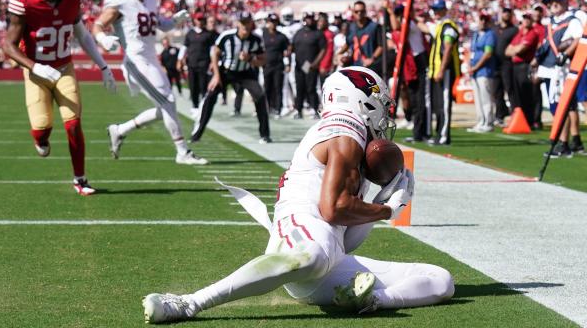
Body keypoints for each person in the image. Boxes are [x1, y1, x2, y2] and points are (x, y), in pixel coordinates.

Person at [141, 67, 454, 324]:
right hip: (299, 238)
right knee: (313, 255)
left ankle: (369, 300)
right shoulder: (346, 131)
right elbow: (332, 210)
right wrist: (385, 211)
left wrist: (378, 205)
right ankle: (188, 302)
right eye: (382, 105)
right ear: (362, 101)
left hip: (324, 258)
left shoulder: (350, 139)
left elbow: (343, 242)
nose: (385, 115)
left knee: (440, 279)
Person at [3, 0, 117, 195]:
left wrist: (103, 65)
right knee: (42, 129)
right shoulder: (24, 2)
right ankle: (40, 139)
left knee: (74, 124)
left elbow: (82, 34)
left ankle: (80, 179)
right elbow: (7, 45)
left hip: (64, 67)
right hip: (36, 73)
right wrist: (35, 66)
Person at [92, 0, 207, 165]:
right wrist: (102, 38)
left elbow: (159, 25)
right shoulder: (120, 1)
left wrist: (174, 21)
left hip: (150, 60)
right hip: (135, 62)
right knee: (168, 102)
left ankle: (120, 130)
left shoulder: (150, 0)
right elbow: (98, 24)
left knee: (166, 106)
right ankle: (182, 151)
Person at [190, 11, 271, 143]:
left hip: (245, 72)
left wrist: (250, 58)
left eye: (247, 22)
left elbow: (263, 60)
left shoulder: (256, 39)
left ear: (251, 23)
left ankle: (265, 134)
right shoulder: (227, 36)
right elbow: (215, 52)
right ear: (238, 23)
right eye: (243, 22)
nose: (245, 25)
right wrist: (216, 76)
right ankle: (197, 133)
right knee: (210, 97)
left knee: (260, 97)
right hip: (226, 71)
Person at [535, 0, 584, 157]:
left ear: (564, 2)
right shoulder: (551, 22)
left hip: (561, 69)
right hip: (549, 67)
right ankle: (564, 142)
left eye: (556, 1)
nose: (552, 5)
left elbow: (578, 39)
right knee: (556, 106)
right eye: (550, 2)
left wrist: (566, 53)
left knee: (561, 105)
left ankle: (563, 143)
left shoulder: (572, 21)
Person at [418, 0, 460, 146]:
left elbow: (448, 48)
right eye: (434, 9)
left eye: (438, 9)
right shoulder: (440, 26)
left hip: (445, 70)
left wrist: (442, 69)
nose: (435, 12)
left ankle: (444, 136)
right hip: (438, 70)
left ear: (444, 10)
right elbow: (423, 27)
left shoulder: (448, 27)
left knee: (444, 104)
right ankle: (439, 134)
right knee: (438, 104)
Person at [388, 2, 429, 142]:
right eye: (398, 14)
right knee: (414, 99)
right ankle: (418, 132)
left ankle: (421, 132)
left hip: (419, 61)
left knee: (420, 100)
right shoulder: (409, 24)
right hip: (412, 63)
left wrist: (391, 12)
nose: (400, 17)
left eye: (402, 13)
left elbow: (396, 27)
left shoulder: (410, 24)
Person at [505, 12, 539, 125]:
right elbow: (507, 51)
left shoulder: (532, 33)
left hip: (525, 66)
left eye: (528, 19)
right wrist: (515, 50)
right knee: (518, 94)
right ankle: (522, 119)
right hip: (516, 67)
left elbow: (520, 50)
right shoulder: (520, 34)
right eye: (524, 19)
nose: (526, 21)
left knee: (527, 95)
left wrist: (514, 50)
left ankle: (530, 120)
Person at [292, 12, 326, 119]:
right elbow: (292, 47)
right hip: (299, 64)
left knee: (311, 88)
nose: (309, 20)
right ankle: (298, 110)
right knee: (299, 88)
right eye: (307, 18)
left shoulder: (318, 33)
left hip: (310, 65)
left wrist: (315, 63)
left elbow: (323, 50)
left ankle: (315, 110)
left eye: (311, 18)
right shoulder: (299, 32)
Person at [181, 13, 217, 114]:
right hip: (192, 63)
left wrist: (212, 62)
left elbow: (212, 49)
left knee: (203, 85)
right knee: (193, 85)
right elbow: (185, 47)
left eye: (202, 20)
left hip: (203, 63)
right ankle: (195, 105)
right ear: (195, 20)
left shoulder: (208, 34)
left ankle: (203, 105)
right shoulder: (190, 33)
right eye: (198, 19)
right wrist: (180, 59)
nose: (200, 22)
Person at [468, 13, 498, 133]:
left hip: (484, 70)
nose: (483, 22)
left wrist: (475, 67)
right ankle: (481, 120)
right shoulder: (475, 34)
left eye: (485, 20)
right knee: (478, 97)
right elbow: (472, 51)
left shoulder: (490, 35)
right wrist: (471, 66)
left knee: (486, 97)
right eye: (481, 20)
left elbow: (488, 53)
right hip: (475, 71)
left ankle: (488, 122)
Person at [337, 1, 383, 74]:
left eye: (362, 11)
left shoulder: (375, 27)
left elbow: (381, 45)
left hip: (370, 68)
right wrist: (339, 54)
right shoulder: (351, 27)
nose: (359, 13)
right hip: (354, 66)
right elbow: (348, 43)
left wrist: (372, 58)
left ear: (365, 12)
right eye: (356, 11)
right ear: (353, 12)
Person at [492, 7, 519, 126]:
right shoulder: (495, 29)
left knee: (510, 89)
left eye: (509, 13)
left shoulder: (514, 30)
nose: (506, 15)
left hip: (507, 63)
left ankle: (515, 115)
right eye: (504, 13)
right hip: (495, 63)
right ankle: (500, 115)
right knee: (497, 91)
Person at [261, 13, 291, 117]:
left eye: (274, 22)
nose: (272, 24)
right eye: (271, 22)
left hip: (278, 65)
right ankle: (267, 108)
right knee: (267, 88)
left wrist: (288, 64)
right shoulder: (263, 34)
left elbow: (287, 51)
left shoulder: (282, 37)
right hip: (266, 65)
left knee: (278, 88)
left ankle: (278, 109)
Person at [317, 12, 335, 86]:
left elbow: (329, 51)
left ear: (326, 22)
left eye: (321, 21)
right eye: (318, 21)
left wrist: (324, 66)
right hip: (314, 66)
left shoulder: (328, 34)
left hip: (323, 67)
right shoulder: (317, 32)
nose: (319, 23)